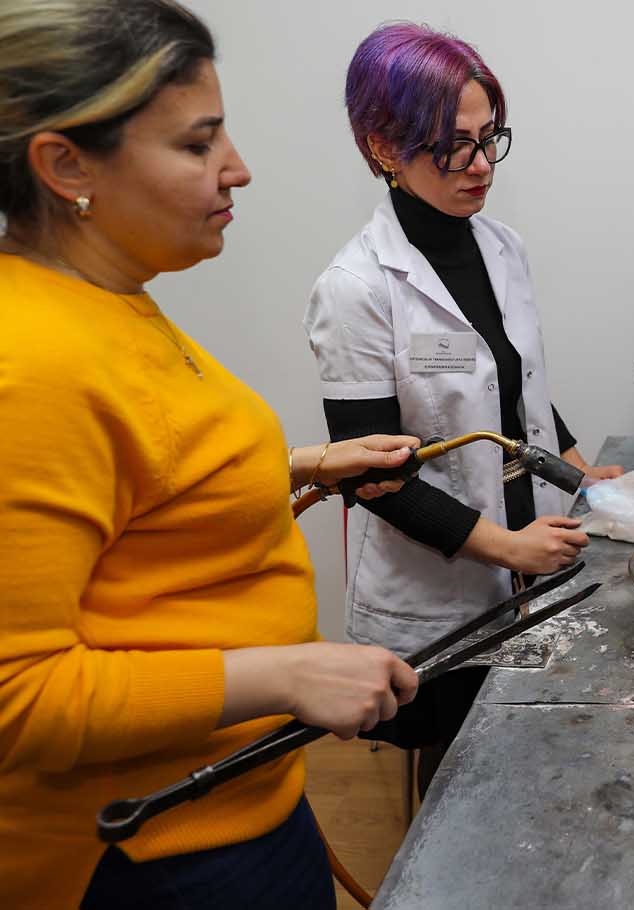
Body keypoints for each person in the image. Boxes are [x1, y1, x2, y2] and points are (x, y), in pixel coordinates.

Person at [0, 3, 427, 908]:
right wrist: (286, 674)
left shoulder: (109, 300)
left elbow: (134, 493)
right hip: (147, 852)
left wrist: (306, 463)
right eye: (197, 146)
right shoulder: (28, 362)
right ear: (65, 164)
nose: (237, 168)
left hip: (232, 802)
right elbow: (16, 697)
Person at [303, 24, 622, 784]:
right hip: (440, 582)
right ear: (384, 146)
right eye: (453, 146)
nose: (481, 166)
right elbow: (371, 478)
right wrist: (505, 547)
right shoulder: (356, 288)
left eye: (490, 139)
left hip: (533, 553)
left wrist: (579, 470)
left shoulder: (502, 246)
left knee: (530, 755)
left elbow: (516, 389)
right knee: (455, 769)